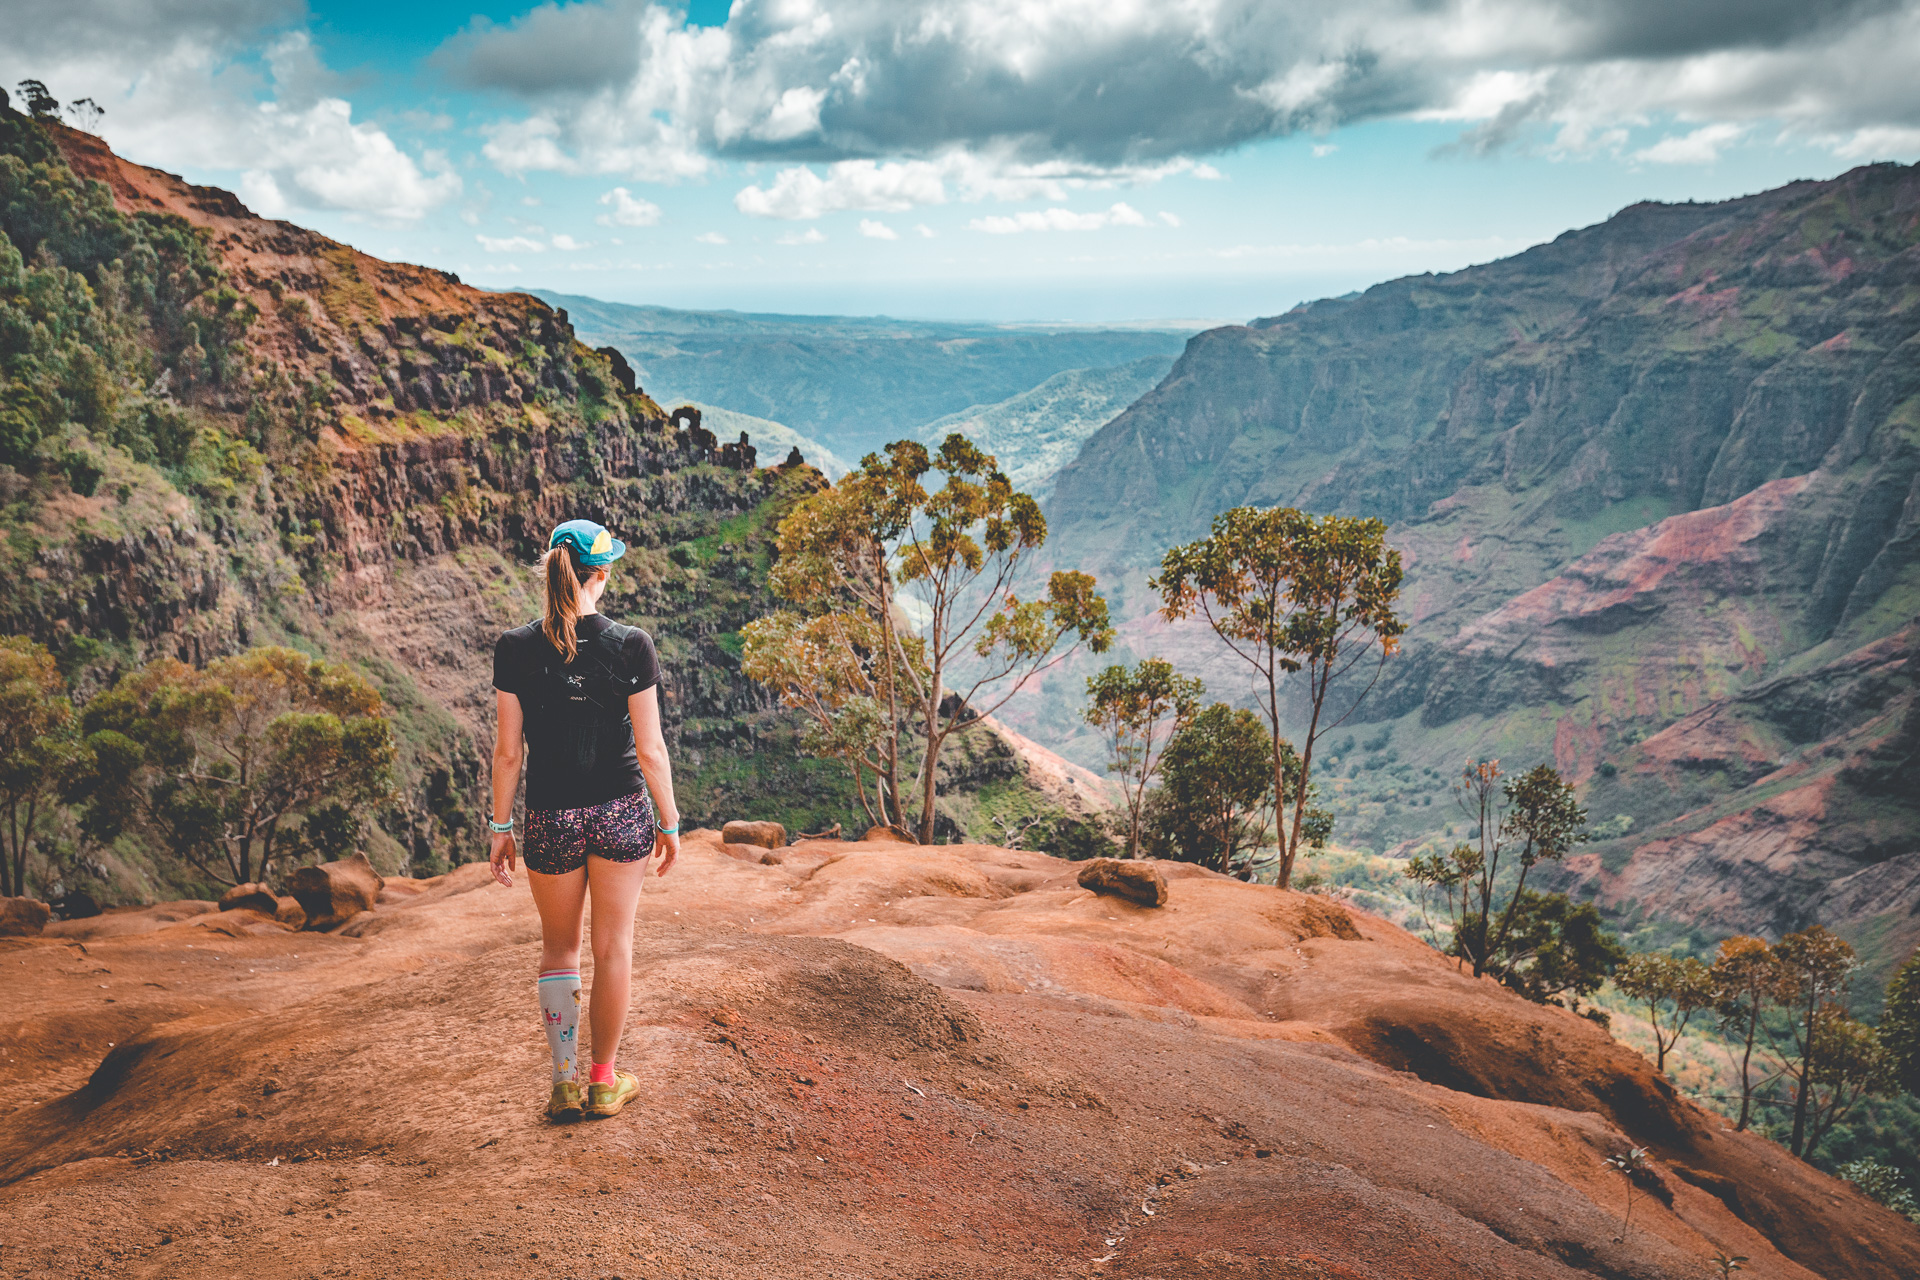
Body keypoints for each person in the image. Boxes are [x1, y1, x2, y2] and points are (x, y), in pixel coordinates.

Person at [488, 518, 681, 1122]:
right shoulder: (631, 644)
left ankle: (564, 1084)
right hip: (621, 810)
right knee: (613, 947)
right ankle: (605, 1081)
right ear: (601, 575)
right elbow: (651, 750)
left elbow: (508, 753)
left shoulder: (514, 648)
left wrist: (500, 828)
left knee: (559, 950)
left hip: (550, 815)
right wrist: (669, 824)